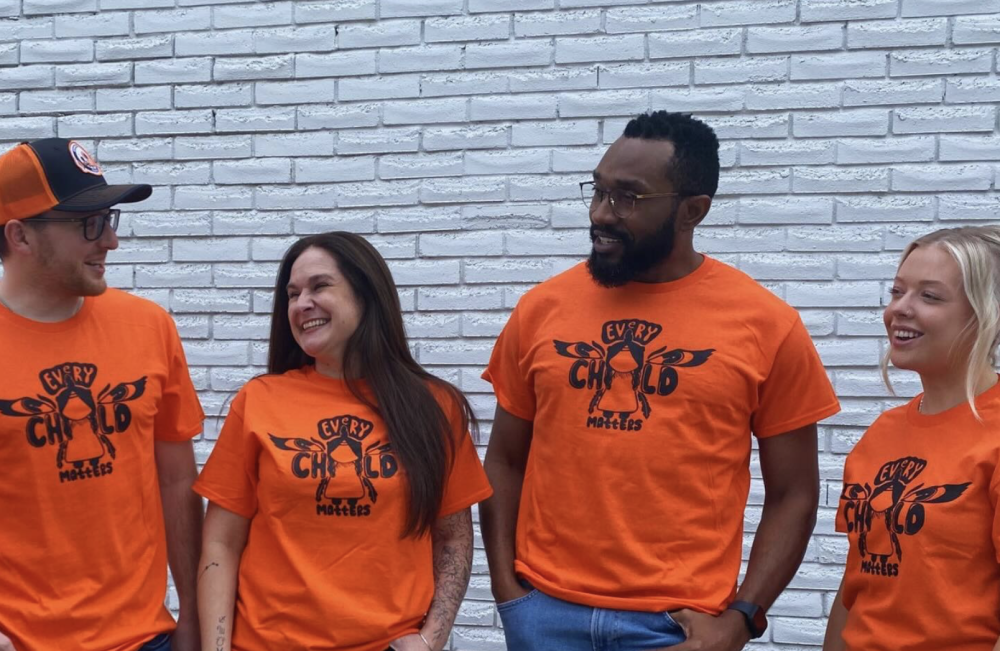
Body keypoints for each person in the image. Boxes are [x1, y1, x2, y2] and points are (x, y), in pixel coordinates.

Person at [481, 110, 841, 651]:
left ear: (692, 210)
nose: (601, 212)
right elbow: (505, 459)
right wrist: (509, 591)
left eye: (628, 197)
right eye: (597, 190)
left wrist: (743, 618)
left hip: (677, 628)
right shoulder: (541, 309)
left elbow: (794, 494)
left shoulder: (766, 324)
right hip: (544, 612)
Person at [195, 232, 492, 651]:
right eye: (293, 294)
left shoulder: (434, 406)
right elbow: (221, 542)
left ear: (367, 295)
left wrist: (430, 641)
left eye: (319, 286)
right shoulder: (258, 401)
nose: (302, 304)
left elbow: (453, 538)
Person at [0, 138, 205, 651]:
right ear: (20, 236)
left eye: (110, 218)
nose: (110, 240)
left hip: (146, 638)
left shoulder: (149, 327)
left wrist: (195, 618)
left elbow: (178, 482)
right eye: (89, 223)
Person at [824, 227, 1000, 651]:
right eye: (897, 292)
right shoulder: (882, 435)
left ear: (986, 313)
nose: (899, 309)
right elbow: (859, 585)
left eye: (930, 296)